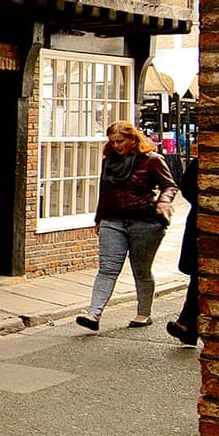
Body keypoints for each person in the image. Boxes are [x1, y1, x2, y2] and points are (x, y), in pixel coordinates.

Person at [74, 120, 178, 332]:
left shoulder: (152, 160)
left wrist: (164, 201)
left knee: (141, 269)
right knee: (108, 268)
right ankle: (93, 314)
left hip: (145, 222)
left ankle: (143, 313)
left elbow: (170, 185)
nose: (116, 146)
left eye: (120, 141)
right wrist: (99, 219)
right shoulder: (109, 161)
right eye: (112, 142)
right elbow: (104, 191)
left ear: (133, 138)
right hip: (113, 220)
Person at [167, 153, 201, 345]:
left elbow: (186, 186)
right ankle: (188, 325)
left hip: (203, 223)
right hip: (200, 222)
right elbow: (186, 185)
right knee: (198, 277)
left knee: (199, 278)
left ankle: (188, 324)